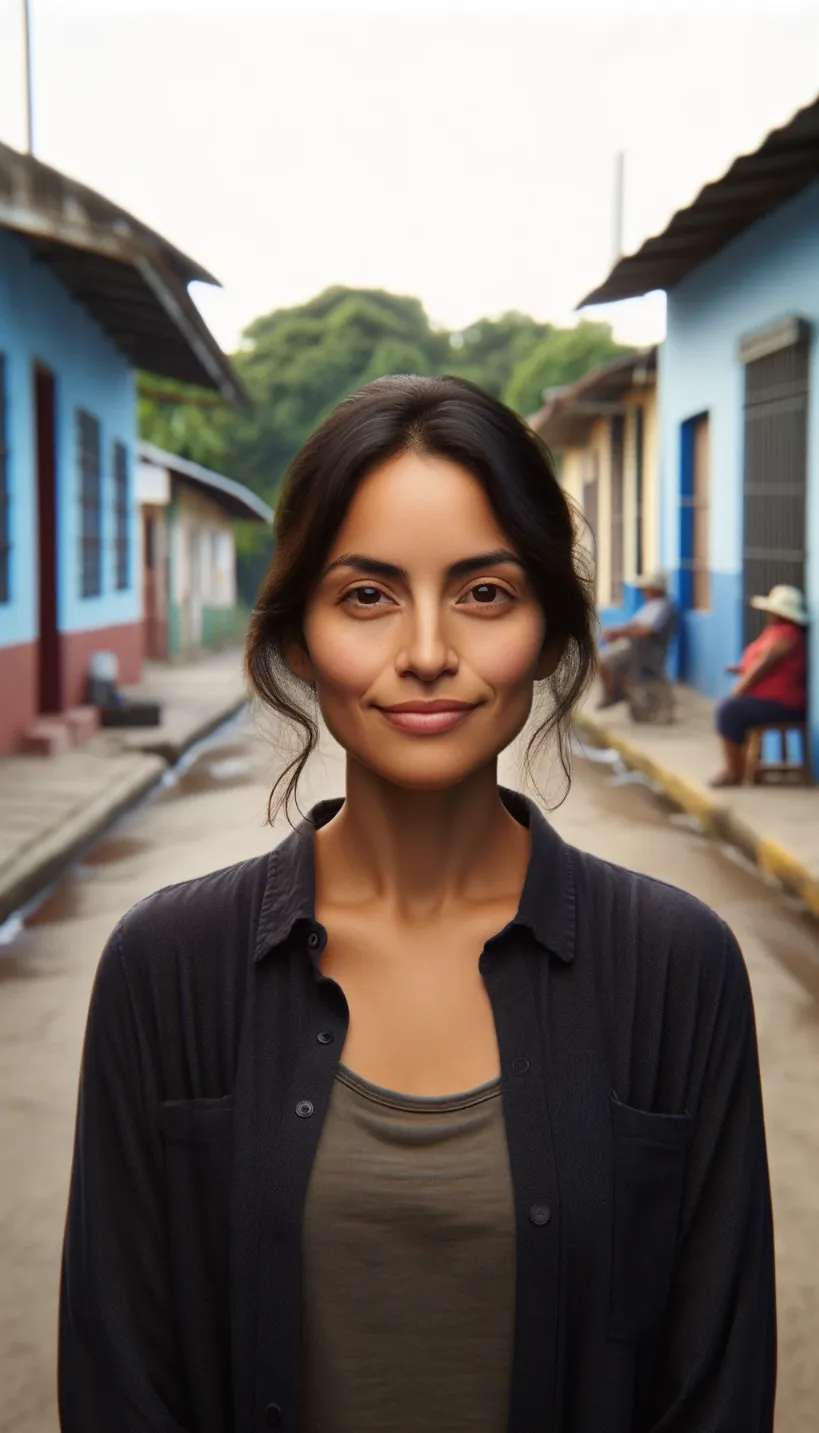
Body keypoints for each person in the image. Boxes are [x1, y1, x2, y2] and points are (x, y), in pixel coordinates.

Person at [59, 376, 775, 1433]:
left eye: (485, 592)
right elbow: (120, 1377)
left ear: (548, 628)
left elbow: (715, 1381)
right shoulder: (167, 968)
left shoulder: (677, 966)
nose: (430, 648)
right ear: (299, 635)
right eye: (367, 594)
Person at [711, 583, 808, 788]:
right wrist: (741, 669)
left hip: (782, 703)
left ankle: (733, 772)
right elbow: (761, 662)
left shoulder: (787, 634)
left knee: (729, 710)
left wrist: (742, 686)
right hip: (766, 699)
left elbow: (767, 662)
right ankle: (738, 768)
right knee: (732, 710)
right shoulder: (775, 631)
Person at [596, 572, 676, 709]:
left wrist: (621, 633)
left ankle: (613, 694)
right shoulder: (650, 606)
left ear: (655, 589)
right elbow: (634, 625)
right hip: (635, 646)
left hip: (647, 650)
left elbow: (648, 630)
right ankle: (618, 690)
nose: (644, 592)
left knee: (606, 661)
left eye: (647, 589)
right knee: (606, 659)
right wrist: (617, 632)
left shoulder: (664, 607)